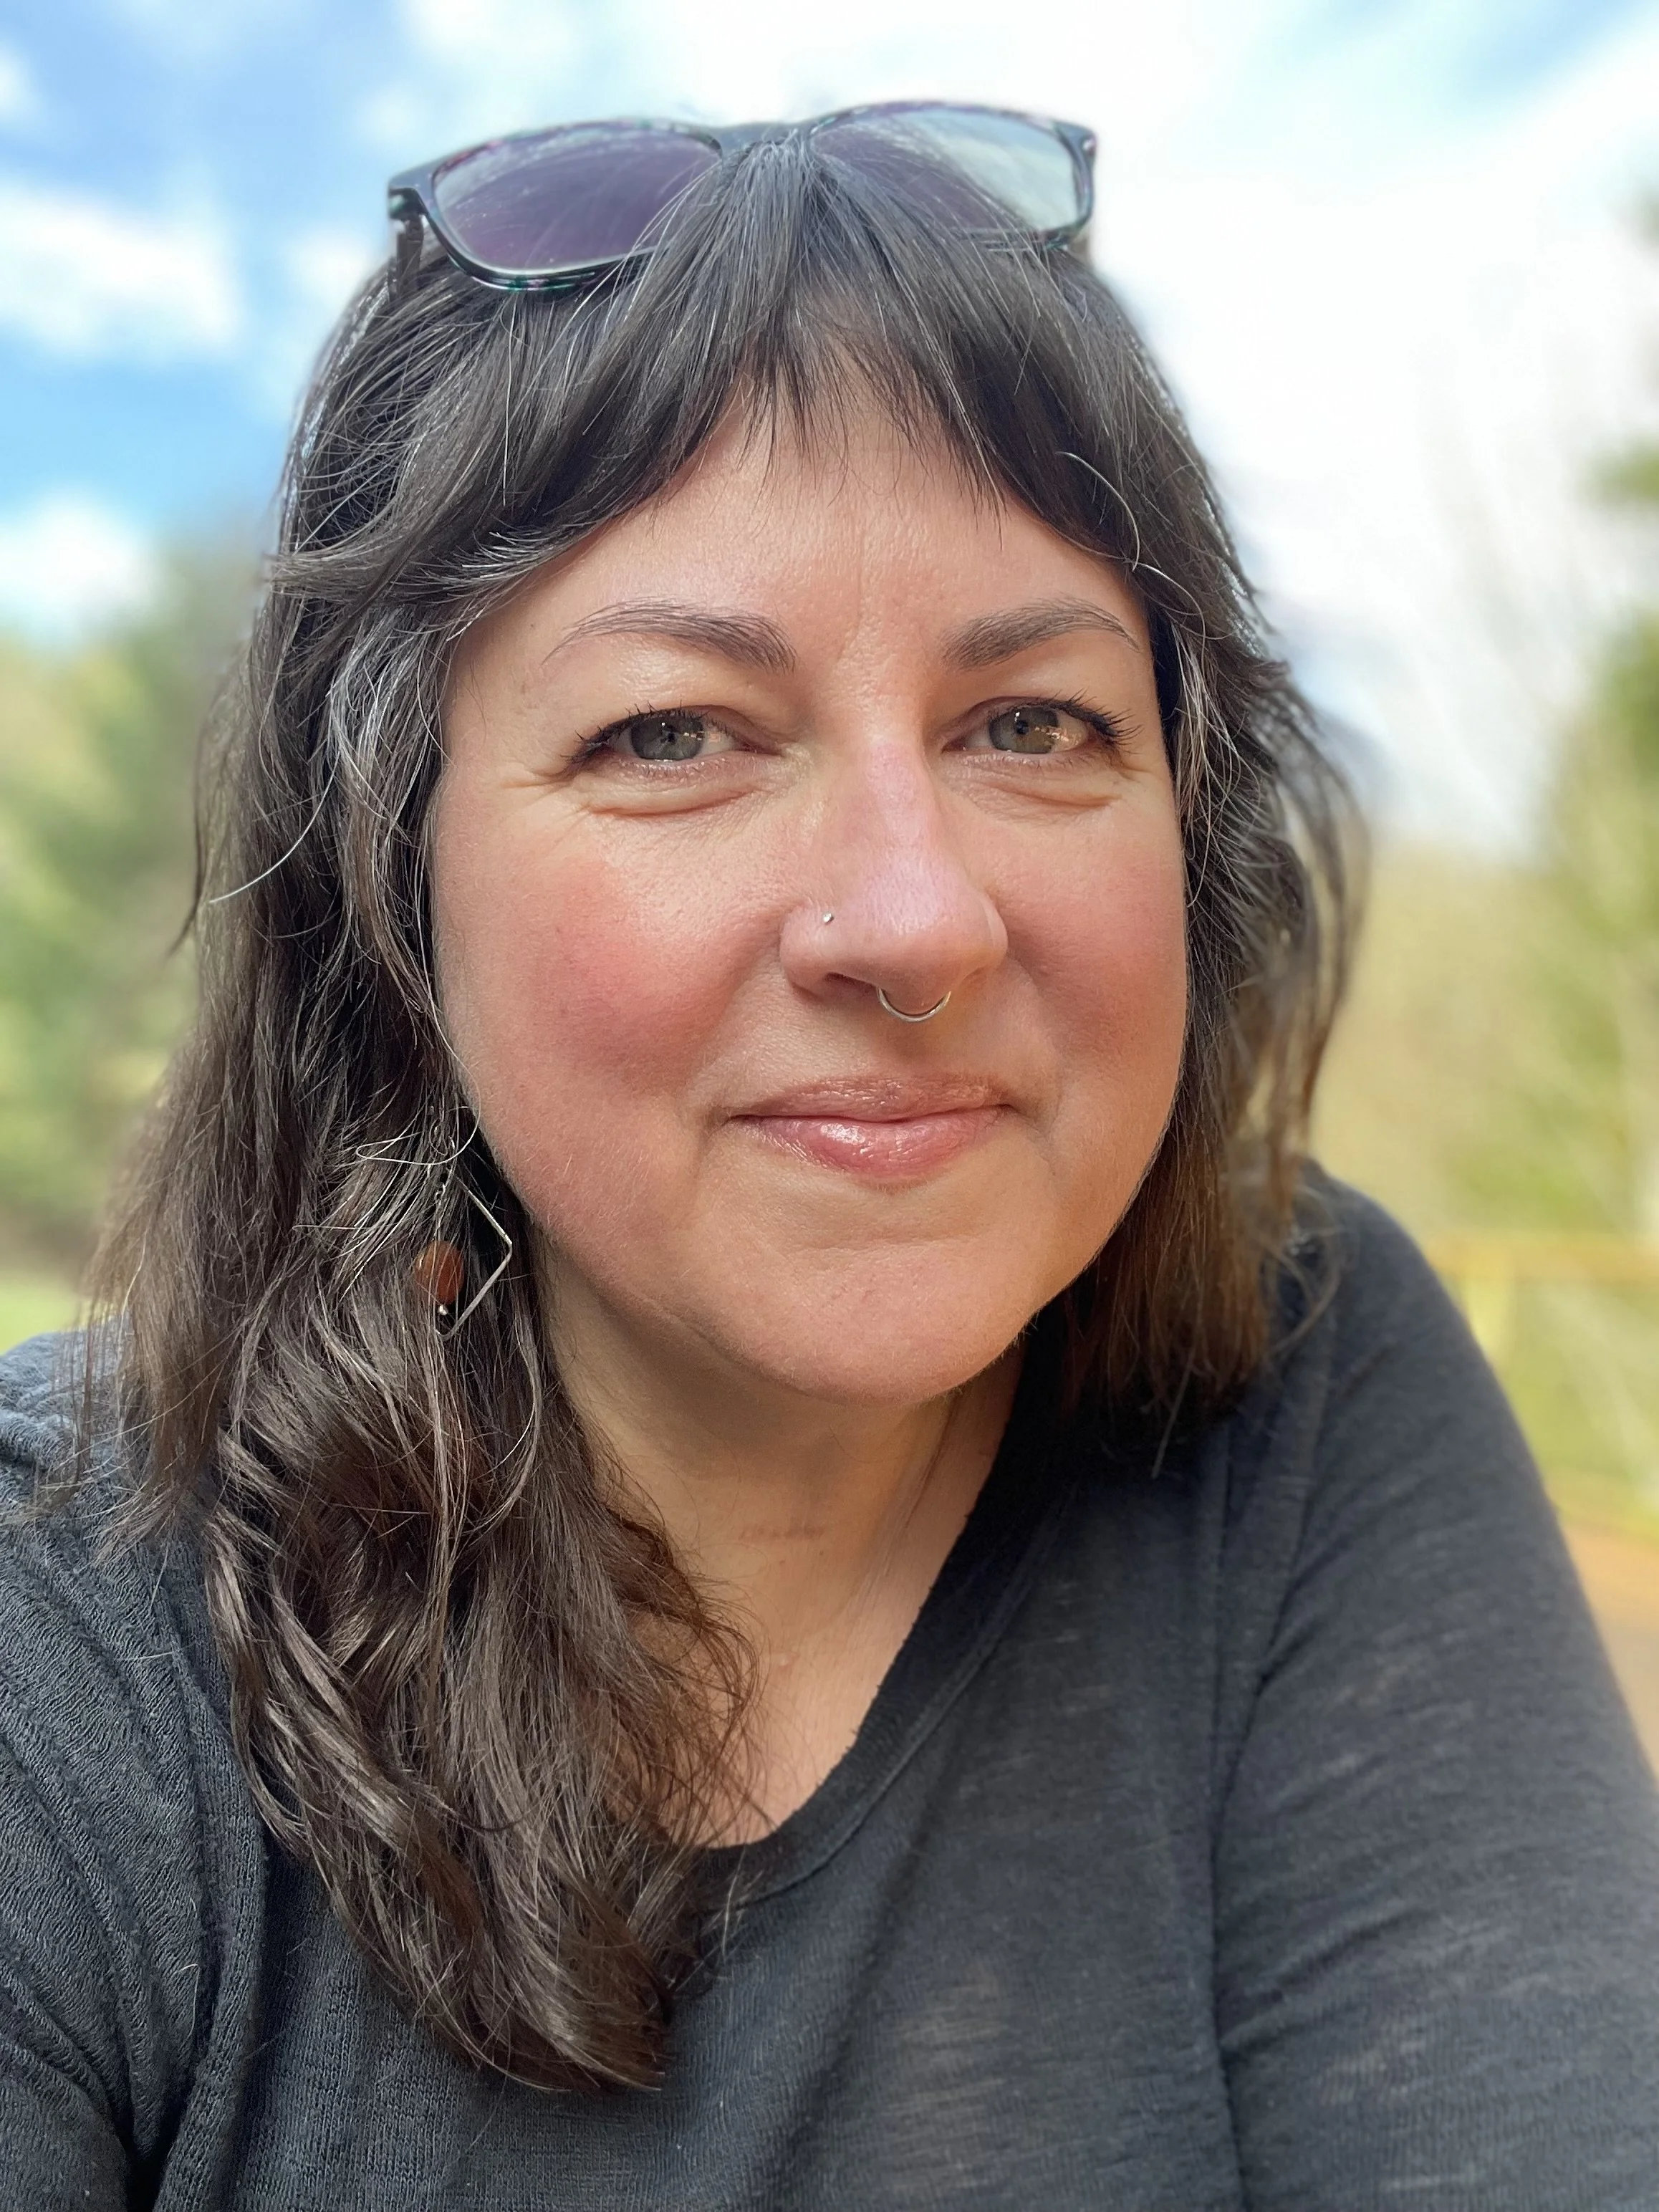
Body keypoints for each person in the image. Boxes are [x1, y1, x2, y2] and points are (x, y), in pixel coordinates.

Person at [1, 105, 1655, 2211]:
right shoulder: (60, 1637)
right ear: (389, 883)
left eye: (1034, 723)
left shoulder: (1303, 1394)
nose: (915, 916)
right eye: (673, 733)